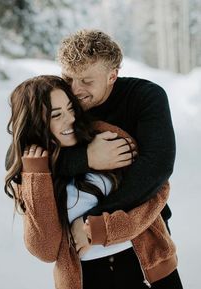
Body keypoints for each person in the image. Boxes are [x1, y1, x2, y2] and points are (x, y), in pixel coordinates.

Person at [5, 75, 183, 289]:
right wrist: (37, 175)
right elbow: (46, 249)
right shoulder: (35, 173)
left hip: (149, 271)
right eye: (56, 115)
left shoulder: (105, 136)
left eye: (71, 108)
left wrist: (100, 229)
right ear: (35, 122)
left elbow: (156, 191)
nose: (70, 119)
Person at [57, 29, 176, 231]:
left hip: (141, 228)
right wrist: (87, 158)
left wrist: (92, 221)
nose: (75, 90)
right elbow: (20, 159)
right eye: (69, 79)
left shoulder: (145, 97)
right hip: (72, 236)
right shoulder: (58, 99)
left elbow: (158, 165)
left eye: (86, 81)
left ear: (112, 76)